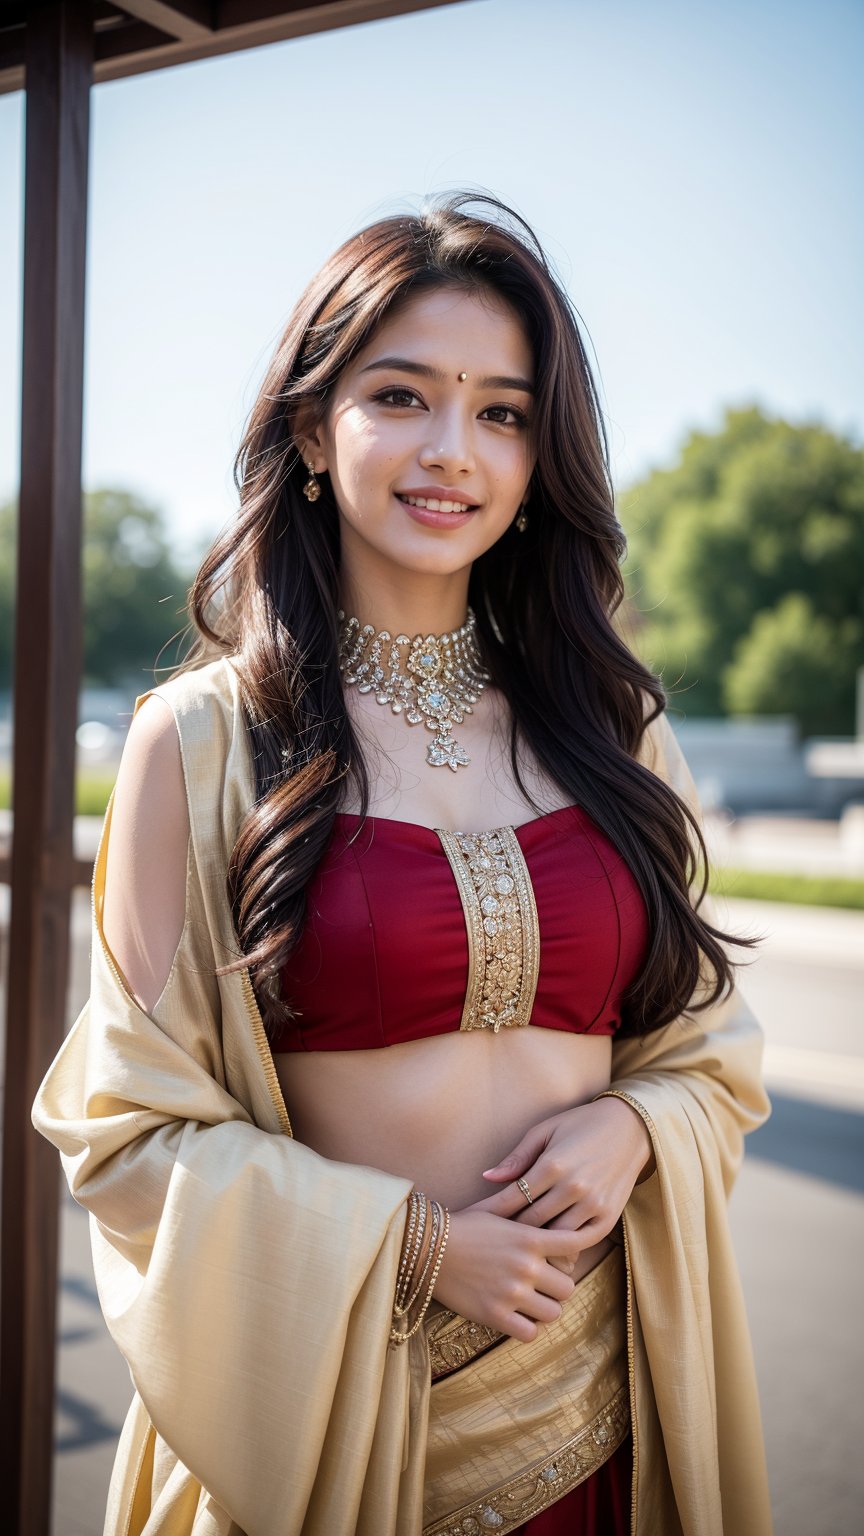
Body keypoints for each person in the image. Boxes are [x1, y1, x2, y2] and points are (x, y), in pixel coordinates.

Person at [32, 191, 774, 1536]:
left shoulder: (613, 731)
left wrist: (632, 1127)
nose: (455, 451)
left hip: (608, 1412)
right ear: (316, 428)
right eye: (402, 396)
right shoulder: (201, 744)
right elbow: (128, 1137)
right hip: (327, 1426)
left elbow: (710, 1055)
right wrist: (418, 1250)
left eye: (501, 411)